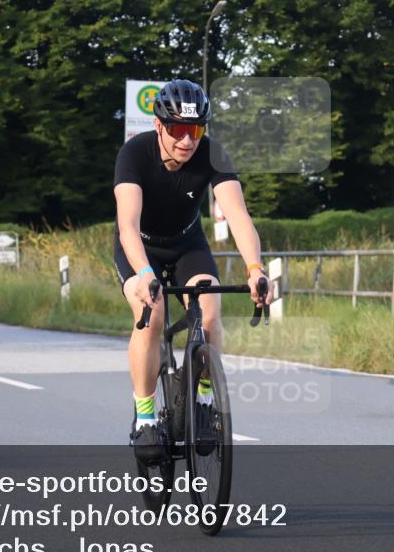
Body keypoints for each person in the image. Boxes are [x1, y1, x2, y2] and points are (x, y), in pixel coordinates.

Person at [112, 79, 273, 462]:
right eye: (178, 130)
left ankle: (202, 400)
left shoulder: (213, 154)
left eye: (196, 130)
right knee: (151, 316)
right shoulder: (134, 154)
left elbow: (238, 217)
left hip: (187, 244)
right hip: (140, 247)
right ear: (158, 126)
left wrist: (255, 269)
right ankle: (146, 417)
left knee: (210, 309)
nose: (187, 141)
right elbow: (127, 227)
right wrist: (145, 273)